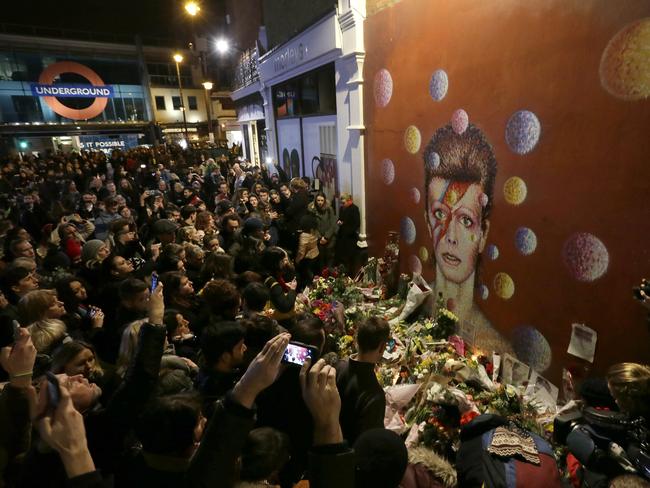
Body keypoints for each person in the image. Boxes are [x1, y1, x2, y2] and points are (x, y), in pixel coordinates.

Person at [422, 123, 510, 353]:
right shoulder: (421, 304)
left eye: (466, 220)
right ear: (427, 222)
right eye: (440, 214)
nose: (451, 236)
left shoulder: (495, 348)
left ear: (483, 233)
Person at [336, 316, 390, 443]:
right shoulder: (374, 395)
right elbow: (369, 442)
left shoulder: (338, 366)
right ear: (382, 348)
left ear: (356, 340)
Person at [308, 191, 337, 269]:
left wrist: (326, 237)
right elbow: (312, 226)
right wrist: (320, 237)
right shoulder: (312, 210)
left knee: (329, 257)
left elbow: (333, 224)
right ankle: (322, 276)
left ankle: (330, 275)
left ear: (324, 200)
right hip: (318, 239)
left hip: (329, 238)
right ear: (315, 201)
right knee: (320, 259)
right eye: (318, 200)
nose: (320, 202)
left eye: (322, 200)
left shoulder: (329, 209)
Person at [335, 193, 360, 276]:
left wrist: (346, 228)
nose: (342, 204)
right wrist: (339, 221)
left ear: (349, 201)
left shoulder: (354, 209)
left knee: (350, 259)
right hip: (342, 237)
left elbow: (356, 224)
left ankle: (350, 276)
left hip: (350, 238)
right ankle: (343, 274)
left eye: (344, 202)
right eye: (341, 203)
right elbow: (340, 218)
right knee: (342, 258)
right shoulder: (342, 208)